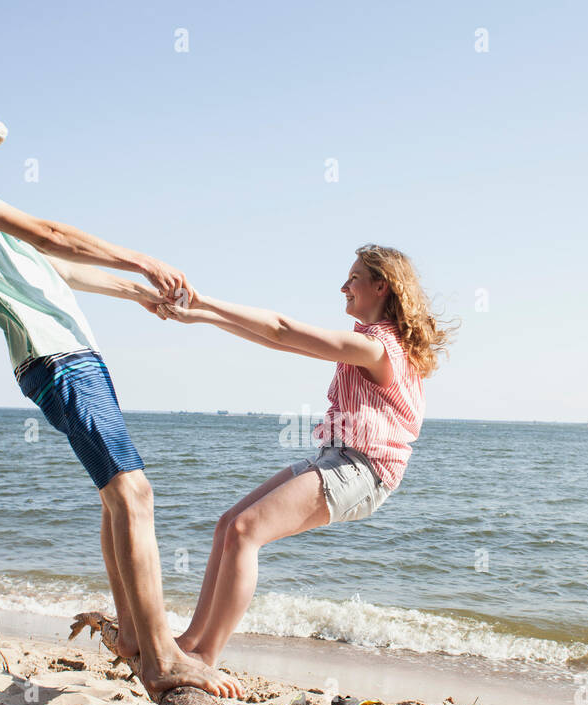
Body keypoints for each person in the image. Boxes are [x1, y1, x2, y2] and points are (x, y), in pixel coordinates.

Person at [0, 89, 241, 699]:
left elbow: (53, 266)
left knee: (118, 498)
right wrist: (142, 260)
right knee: (133, 493)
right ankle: (163, 657)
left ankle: (139, 641)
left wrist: (135, 293)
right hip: (56, 356)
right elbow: (49, 233)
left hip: (64, 355)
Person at [156, 244, 452, 667]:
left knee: (245, 531)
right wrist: (201, 316)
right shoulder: (371, 342)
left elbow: (281, 329)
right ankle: (189, 642)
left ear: (381, 286)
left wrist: (202, 301)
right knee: (227, 526)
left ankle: (205, 657)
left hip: (362, 469)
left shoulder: (378, 346)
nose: (344, 287)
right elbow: (278, 340)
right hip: (336, 459)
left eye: (353, 279)